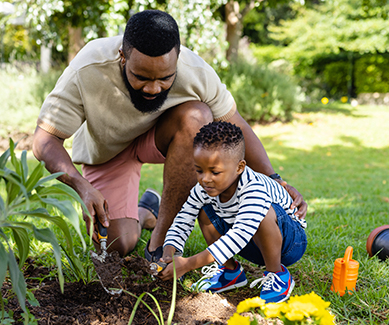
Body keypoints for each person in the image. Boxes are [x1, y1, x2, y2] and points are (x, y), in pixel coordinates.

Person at [32, 10, 307, 259]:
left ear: (176, 60)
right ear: (122, 57)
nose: (153, 89)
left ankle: (160, 241)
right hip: (107, 152)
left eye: (165, 78)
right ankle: (147, 211)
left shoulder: (195, 71)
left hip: (163, 138)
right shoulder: (88, 68)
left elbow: (237, 128)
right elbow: (45, 140)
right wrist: (82, 186)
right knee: (119, 244)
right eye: (141, 77)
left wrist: (275, 180)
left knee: (197, 117)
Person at [158, 121, 307, 304]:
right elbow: (183, 220)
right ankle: (230, 272)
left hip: (288, 244)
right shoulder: (203, 189)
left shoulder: (254, 189)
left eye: (215, 172)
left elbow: (239, 235)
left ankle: (277, 274)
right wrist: (169, 253)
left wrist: (188, 264)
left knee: (264, 213)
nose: (205, 179)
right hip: (250, 241)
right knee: (204, 210)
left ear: (239, 167)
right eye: (199, 170)